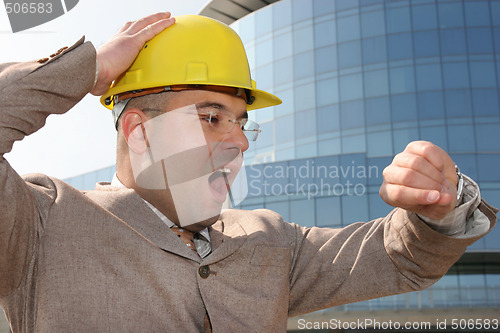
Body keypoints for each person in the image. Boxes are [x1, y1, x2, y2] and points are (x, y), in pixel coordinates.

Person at [0, 12, 496, 333]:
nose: (238, 141)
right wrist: (88, 67)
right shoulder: (41, 223)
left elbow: (400, 259)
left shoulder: (271, 241)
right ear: (139, 131)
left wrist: (437, 211)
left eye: (241, 123)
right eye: (211, 117)